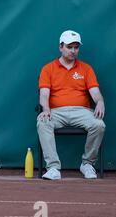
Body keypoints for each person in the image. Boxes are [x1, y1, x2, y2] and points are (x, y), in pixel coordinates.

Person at [37, 30, 105, 180]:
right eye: (69, 47)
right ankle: (53, 167)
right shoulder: (48, 69)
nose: (73, 51)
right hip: (56, 112)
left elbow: (95, 92)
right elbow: (44, 94)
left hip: (81, 111)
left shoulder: (86, 69)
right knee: (42, 122)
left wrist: (100, 102)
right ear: (60, 47)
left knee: (99, 125)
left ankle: (87, 164)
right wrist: (46, 109)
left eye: (76, 47)